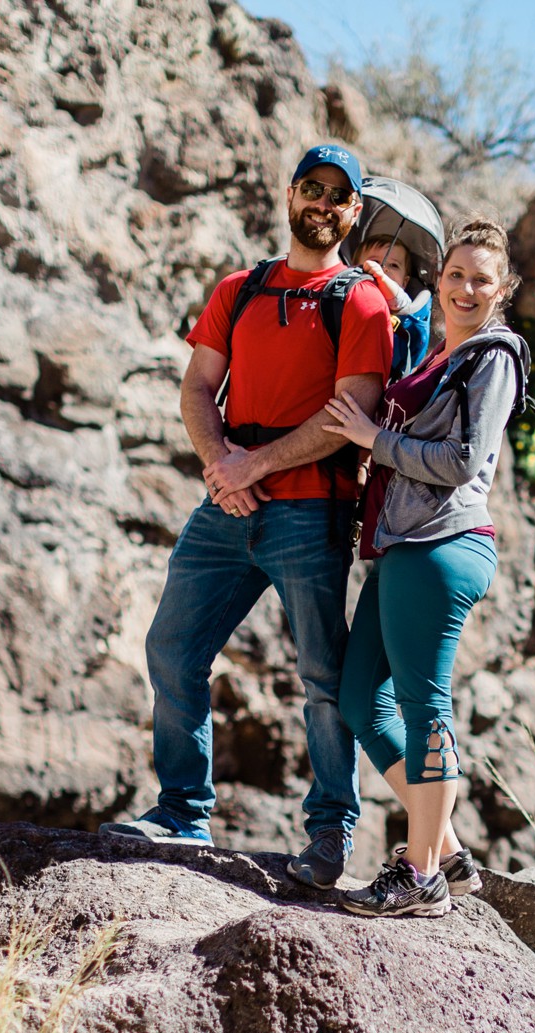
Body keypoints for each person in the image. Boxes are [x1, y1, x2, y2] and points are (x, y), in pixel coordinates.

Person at [101, 145, 393, 891]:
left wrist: (249, 467)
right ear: (291, 193)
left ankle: (331, 834)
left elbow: (349, 416)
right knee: (171, 649)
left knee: (323, 676)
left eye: (339, 195)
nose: (323, 203)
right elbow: (198, 387)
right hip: (226, 508)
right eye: (312, 188)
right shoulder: (240, 289)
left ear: (353, 211)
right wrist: (219, 467)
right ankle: (182, 811)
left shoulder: (361, 302)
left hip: (309, 513)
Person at [320, 217, 529, 917]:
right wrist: (390, 291)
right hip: (402, 548)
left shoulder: (493, 356)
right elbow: (417, 328)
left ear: (503, 291)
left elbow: (462, 460)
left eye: (481, 280)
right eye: (455, 276)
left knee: (422, 706)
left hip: (442, 545)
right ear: (439, 282)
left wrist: (372, 439)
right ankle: (445, 849)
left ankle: (419, 876)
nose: (466, 289)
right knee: (359, 699)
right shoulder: (443, 350)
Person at [355, 233, 434, 379]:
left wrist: (382, 279)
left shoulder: (402, 302)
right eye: (375, 261)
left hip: (384, 369)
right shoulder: (352, 288)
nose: (384, 268)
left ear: (404, 282)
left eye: (394, 265)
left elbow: (398, 301)